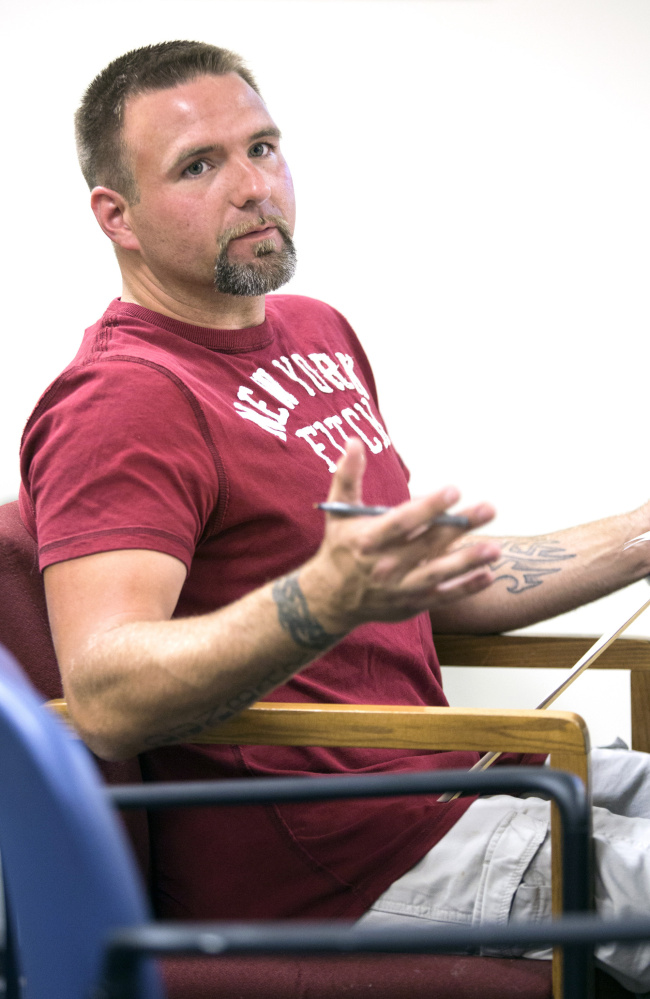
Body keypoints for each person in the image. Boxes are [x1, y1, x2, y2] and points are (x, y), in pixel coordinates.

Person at [17, 41, 650, 991]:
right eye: (200, 166)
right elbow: (103, 693)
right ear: (118, 215)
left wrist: (643, 535)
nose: (252, 187)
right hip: (345, 859)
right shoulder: (123, 400)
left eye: (262, 148)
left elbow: (423, 582)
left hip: (462, 780)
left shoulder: (315, 329)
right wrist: (319, 599)